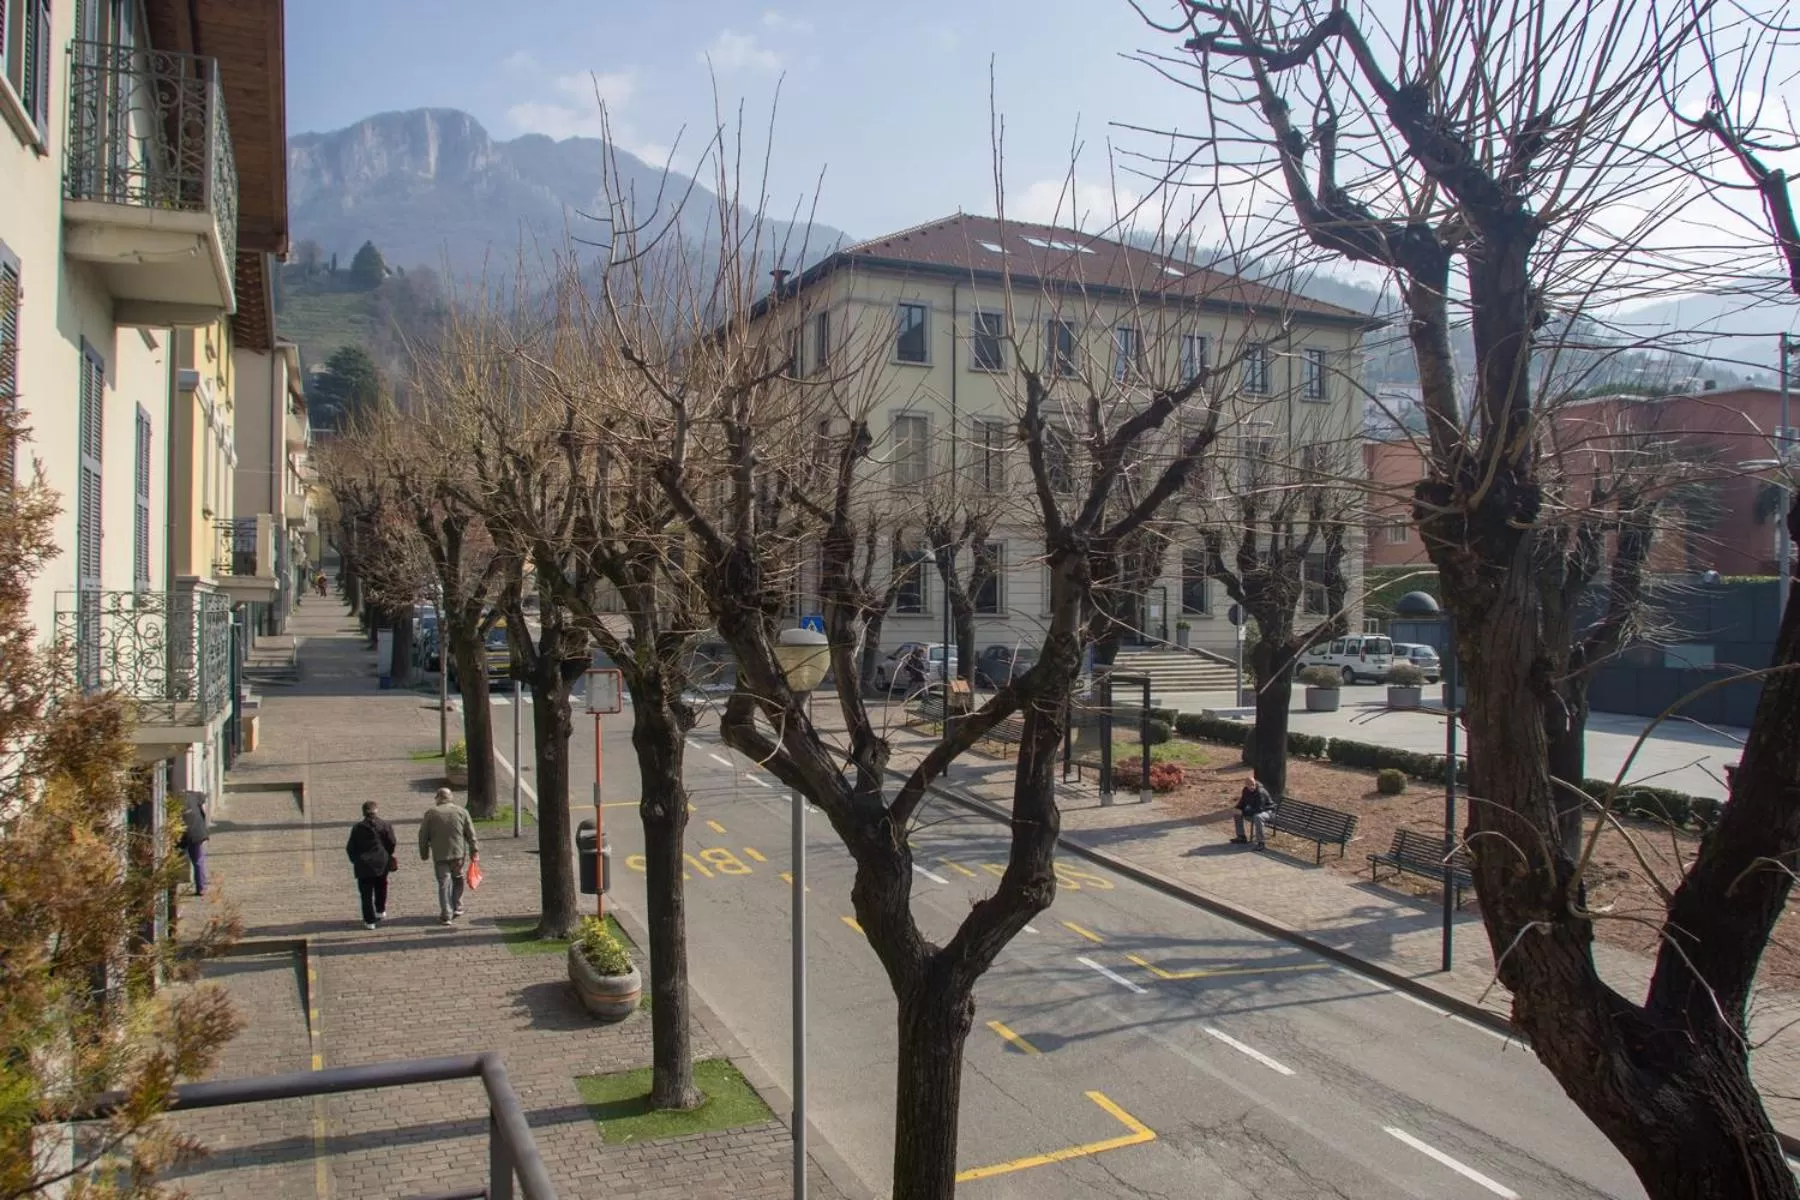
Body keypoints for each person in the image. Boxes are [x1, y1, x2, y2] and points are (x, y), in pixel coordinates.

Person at [419, 787, 478, 925]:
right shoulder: (461, 812)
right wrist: (474, 850)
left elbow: (423, 836)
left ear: (438, 798)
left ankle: (446, 913)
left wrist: (424, 853)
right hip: (457, 853)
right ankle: (457, 905)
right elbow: (470, 833)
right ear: (450, 797)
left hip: (440, 854)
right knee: (458, 878)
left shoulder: (431, 813)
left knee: (443, 883)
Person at [345, 800, 398, 929]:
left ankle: (369, 921)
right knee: (381, 886)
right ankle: (380, 910)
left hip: (363, 864)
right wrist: (386, 854)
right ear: (376, 811)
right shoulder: (385, 825)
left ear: (363, 812)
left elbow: (350, 847)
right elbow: (392, 842)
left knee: (366, 894)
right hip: (381, 861)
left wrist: (356, 860)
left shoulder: (357, 828)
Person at [1231, 774, 1275, 849]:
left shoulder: (1260, 792)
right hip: (1254, 810)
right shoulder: (1245, 790)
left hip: (1268, 811)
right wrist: (1237, 808)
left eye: (1253, 784)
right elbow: (1242, 802)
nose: (1252, 787)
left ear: (1255, 783)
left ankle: (1261, 842)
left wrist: (1244, 811)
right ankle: (1241, 837)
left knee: (1258, 817)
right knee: (1237, 813)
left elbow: (1259, 809)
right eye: (1249, 785)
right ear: (1246, 785)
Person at [179, 791, 210, 895]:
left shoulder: (179, 801)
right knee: (198, 860)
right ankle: (201, 887)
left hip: (185, 833)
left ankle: (201, 887)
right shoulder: (194, 797)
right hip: (197, 832)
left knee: (175, 861)